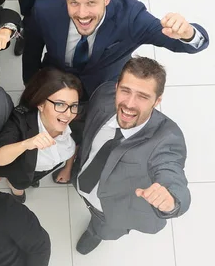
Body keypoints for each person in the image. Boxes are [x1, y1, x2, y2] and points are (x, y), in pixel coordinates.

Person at [22, 0, 209, 97]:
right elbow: (31, 52)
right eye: (74, 3)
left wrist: (188, 33)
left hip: (103, 87)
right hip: (56, 78)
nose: (82, 13)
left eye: (91, 2)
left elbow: (182, 44)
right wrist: (31, 87)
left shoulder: (131, 17)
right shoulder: (44, 9)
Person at [73, 57, 191, 255]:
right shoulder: (104, 95)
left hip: (114, 208)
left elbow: (171, 172)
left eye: (143, 96)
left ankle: (95, 232)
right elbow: (84, 121)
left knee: (105, 227)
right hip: (82, 177)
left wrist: (172, 200)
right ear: (117, 86)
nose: (128, 104)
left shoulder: (167, 139)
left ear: (157, 100)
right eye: (125, 91)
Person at [0, 68, 82, 203]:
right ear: (41, 104)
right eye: (59, 104)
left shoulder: (75, 121)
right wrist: (26, 144)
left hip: (44, 169)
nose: (68, 114)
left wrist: (67, 168)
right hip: (21, 172)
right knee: (19, 185)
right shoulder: (20, 121)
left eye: (73, 106)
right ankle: (17, 194)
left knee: (33, 178)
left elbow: (75, 143)